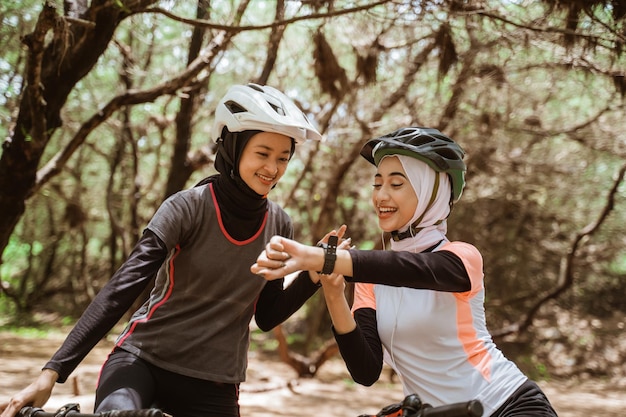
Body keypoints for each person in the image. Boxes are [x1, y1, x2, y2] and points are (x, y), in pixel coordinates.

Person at [0, 83, 326, 417]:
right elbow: (122, 288)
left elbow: (267, 315)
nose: (273, 168)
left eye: (283, 158)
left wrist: (313, 277)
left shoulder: (280, 225)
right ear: (232, 146)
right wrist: (52, 373)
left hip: (215, 383)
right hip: (141, 363)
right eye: (262, 153)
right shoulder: (188, 207)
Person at [251, 127, 558, 416]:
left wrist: (320, 257)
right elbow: (365, 371)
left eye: (396, 184)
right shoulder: (371, 281)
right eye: (377, 183)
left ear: (430, 192)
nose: (381, 195)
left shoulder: (461, 258)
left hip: (509, 404)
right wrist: (333, 292)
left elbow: (414, 269)